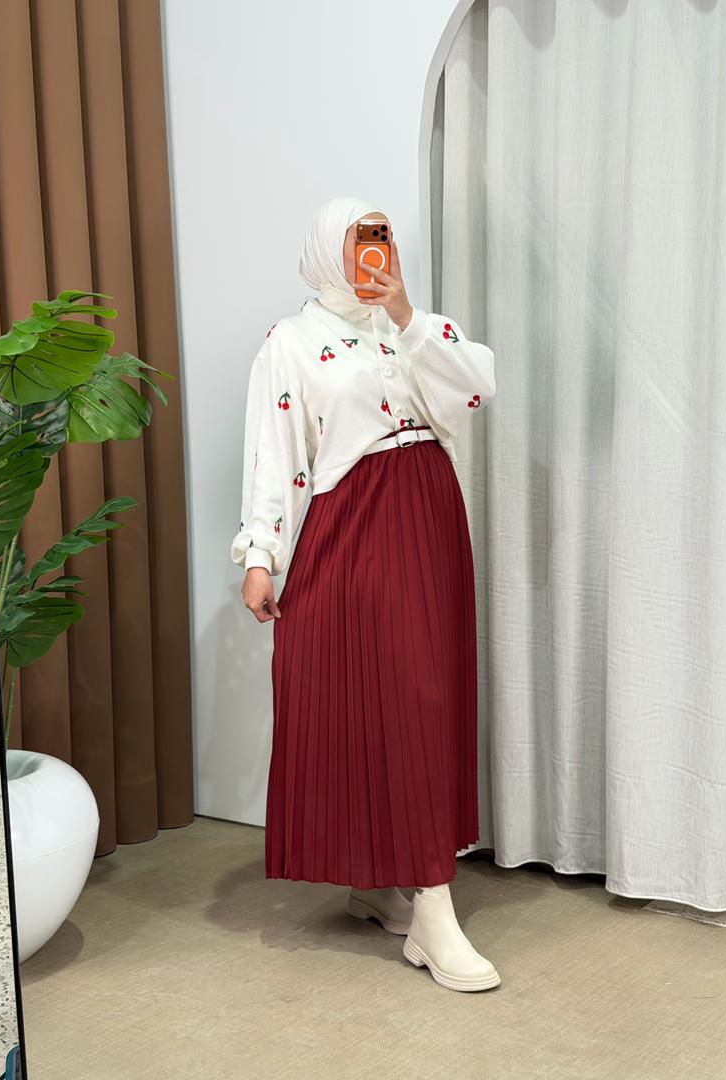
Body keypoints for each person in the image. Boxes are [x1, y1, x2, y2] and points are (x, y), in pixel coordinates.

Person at [230, 196, 500, 992]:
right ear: (326, 251)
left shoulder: (407, 326)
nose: (371, 256)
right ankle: (431, 912)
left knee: (425, 700)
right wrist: (261, 554)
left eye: (379, 240)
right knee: (393, 702)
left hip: (431, 518)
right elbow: (276, 451)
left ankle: (383, 885)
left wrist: (407, 312)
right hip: (357, 525)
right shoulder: (291, 341)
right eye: (357, 242)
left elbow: (475, 389)